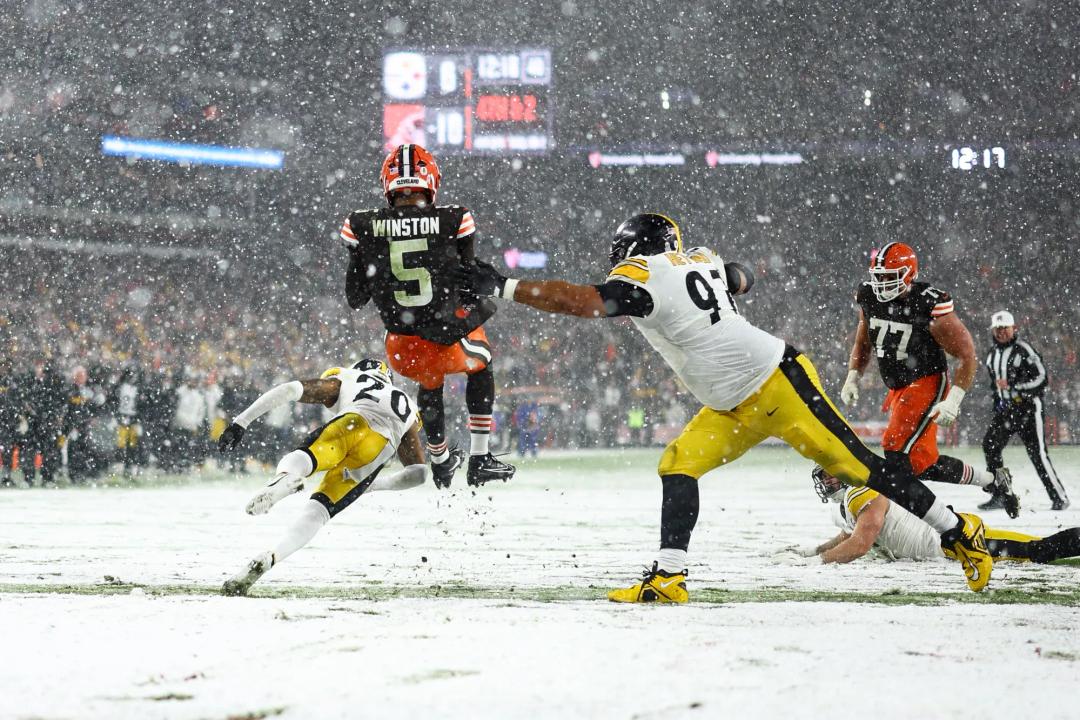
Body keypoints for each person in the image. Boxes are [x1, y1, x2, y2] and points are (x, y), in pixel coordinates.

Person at [456, 213, 994, 597]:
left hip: (778, 383)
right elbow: (741, 276)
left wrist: (504, 285)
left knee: (863, 468)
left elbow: (584, 302)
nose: (619, 267)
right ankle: (669, 577)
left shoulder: (645, 275)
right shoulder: (701, 259)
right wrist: (726, 277)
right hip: (730, 403)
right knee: (677, 464)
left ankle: (958, 531)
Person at [339, 143, 514, 488]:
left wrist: (374, 262)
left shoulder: (361, 224)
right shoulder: (454, 219)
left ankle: (441, 458)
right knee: (482, 362)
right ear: (430, 180)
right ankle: (480, 457)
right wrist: (462, 306)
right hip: (444, 338)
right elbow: (469, 285)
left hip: (400, 346)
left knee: (429, 379)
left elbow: (355, 298)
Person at [217, 359, 430, 596]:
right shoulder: (408, 405)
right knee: (317, 513)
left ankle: (286, 478)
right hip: (378, 451)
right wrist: (372, 485)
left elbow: (290, 389)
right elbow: (419, 473)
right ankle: (272, 556)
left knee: (302, 457)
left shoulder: (348, 378)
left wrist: (241, 422)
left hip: (353, 422)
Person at [839, 242, 1019, 517]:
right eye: (879, 276)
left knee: (895, 448)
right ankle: (994, 481)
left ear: (909, 274)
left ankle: (929, 519)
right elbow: (863, 341)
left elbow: (967, 355)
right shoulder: (869, 297)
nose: (882, 283)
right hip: (899, 385)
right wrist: (853, 376)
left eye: (889, 276)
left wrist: (953, 400)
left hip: (926, 380)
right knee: (920, 464)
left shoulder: (928, 303)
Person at [796, 466, 1080, 564]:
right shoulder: (846, 505)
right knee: (1034, 550)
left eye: (829, 476)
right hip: (943, 544)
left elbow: (859, 544)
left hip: (956, 540)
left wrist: (819, 562)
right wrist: (812, 552)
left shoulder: (863, 493)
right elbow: (848, 535)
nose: (825, 482)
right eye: (823, 477)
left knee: (1036, 550)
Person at [981, 310, 1070, 510]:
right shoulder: (992, 354)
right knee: (990, 446)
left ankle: (1059, 497)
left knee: (1037, 454)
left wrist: (1015, 386)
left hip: (1028, 408)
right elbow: (995, 385)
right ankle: (1001, 494)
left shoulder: (1024, 350)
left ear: (1014, 328)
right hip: (1006, 410)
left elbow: (1042, 378)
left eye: (1004, 328)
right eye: (997, 328)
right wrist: (999, 402)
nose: (1001, 332)